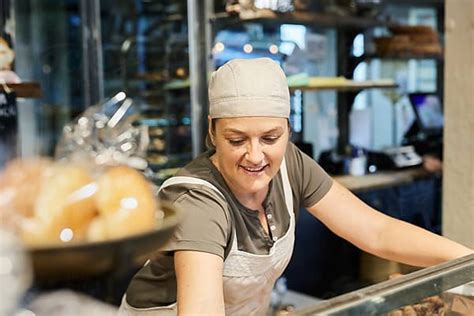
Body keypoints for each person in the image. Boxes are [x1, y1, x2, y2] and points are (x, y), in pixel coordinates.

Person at [119, 58, 472, 315]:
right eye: (236, 139)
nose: (255, 156)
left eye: (270, 137)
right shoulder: (198, 201)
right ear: (212, 132)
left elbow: (375, 231)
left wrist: (467, 263)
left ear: (288, 129)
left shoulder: (291, 163)